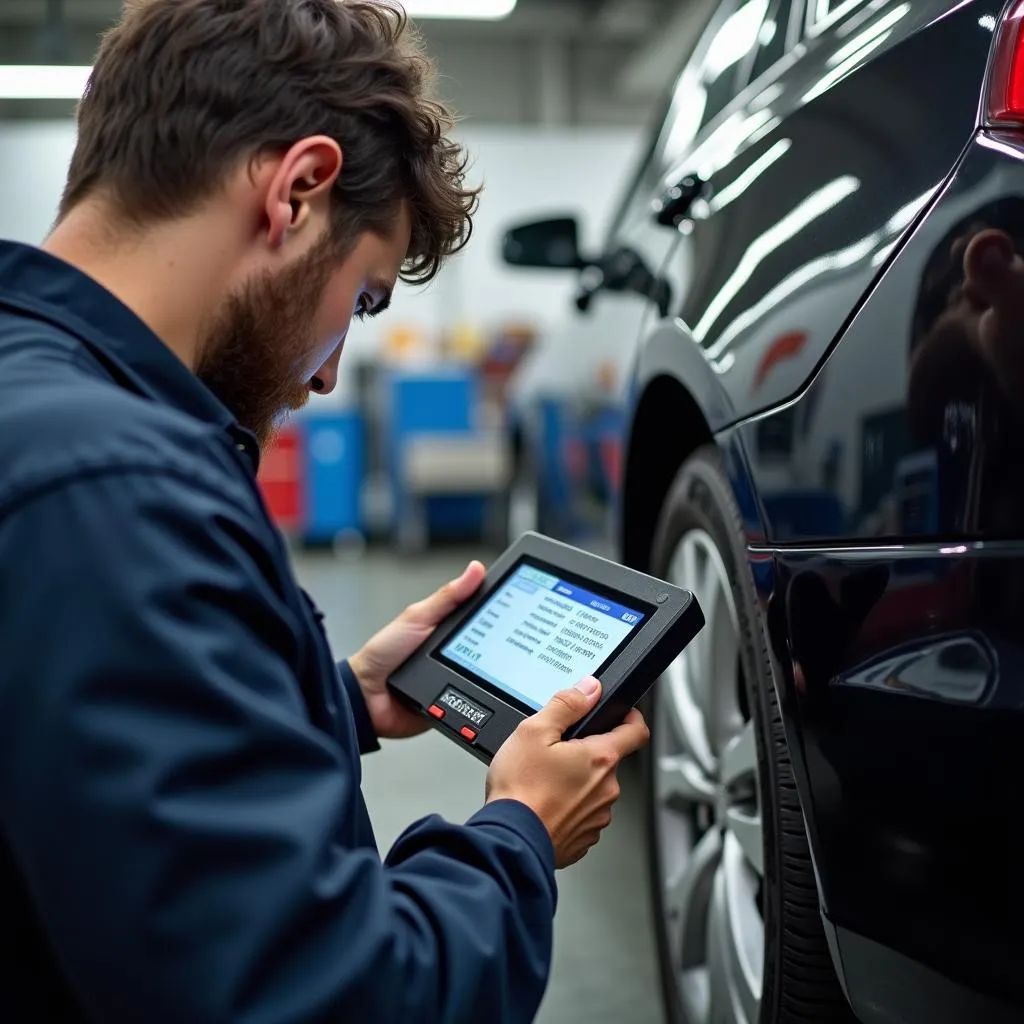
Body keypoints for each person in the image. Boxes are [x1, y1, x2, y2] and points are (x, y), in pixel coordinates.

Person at [0, 2, 650, 1022]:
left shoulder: (42, 412)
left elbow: (78, 780)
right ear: (296, 191)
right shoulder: (116, 487)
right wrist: (518, 830)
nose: (330, 371)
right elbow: (323, 995)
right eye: (362, 300)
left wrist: (333, 700)